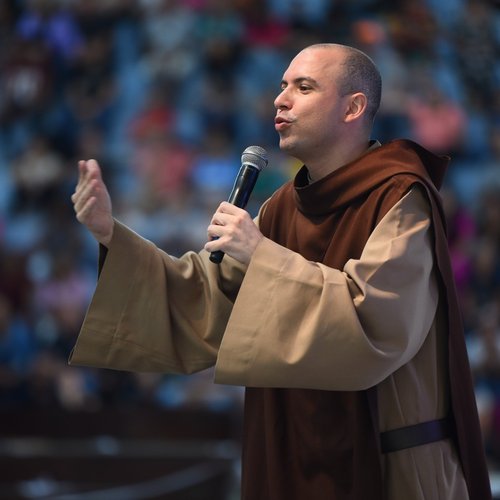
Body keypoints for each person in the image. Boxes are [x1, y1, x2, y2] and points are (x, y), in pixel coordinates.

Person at [69, 43, 491, 500]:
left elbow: (375, 325)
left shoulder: (401, 197)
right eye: (282, 85)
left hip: (388, 467)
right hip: (287, 461)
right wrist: (110, 233)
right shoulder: (280, 207)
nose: (280, 99)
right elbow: (203, 301)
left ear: (353, 107)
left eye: (303, 87)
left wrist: (261, 255)